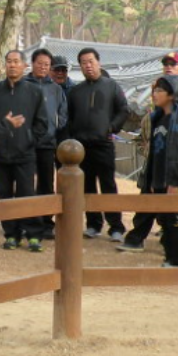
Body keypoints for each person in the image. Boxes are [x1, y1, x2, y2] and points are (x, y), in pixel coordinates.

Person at [0, 50, 49, 251]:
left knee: (26, 194)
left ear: (24, 65)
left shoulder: (34, 92)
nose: (12, 65)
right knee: (4, 196)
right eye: (9, 61)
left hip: (24, 153)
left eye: (16, 61)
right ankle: (11, 234)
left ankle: (34, 234)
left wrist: (28, 139)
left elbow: (42, 123)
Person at [138, 75, 178, 266]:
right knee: (165, 221)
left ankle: (176, 260)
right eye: (154, 90)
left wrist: (176, 183)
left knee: (175, 221)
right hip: (159, 178)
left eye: (160, 91)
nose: (154, 94)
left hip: (175, 182)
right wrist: (151, 180)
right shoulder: (157, 119)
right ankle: (169, 258)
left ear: (172, 95)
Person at [67, 47, 128, 241]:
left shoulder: (111, 86)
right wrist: (73, 134)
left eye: (91, 61)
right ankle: (93, 224)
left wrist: (112, 128)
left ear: (98, 62)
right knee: (87, 186)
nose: (88, 66)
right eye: (84, 63)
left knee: (108, 185)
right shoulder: (76, 91)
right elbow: (69, 117)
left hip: (103, 144)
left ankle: (116, 226)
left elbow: (123, 110)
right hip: (81, 147)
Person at [28, 48, 68, 239]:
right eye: (40, 63)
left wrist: (55, 126)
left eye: (46, 64)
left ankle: (45, 223)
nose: (43, 67)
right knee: (26, 184)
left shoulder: (56, 89)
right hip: (26, 143)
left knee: (46, 184)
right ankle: (26, 221)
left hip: (47, 143)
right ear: (32, 63)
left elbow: (63, 113)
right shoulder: (23, 85)